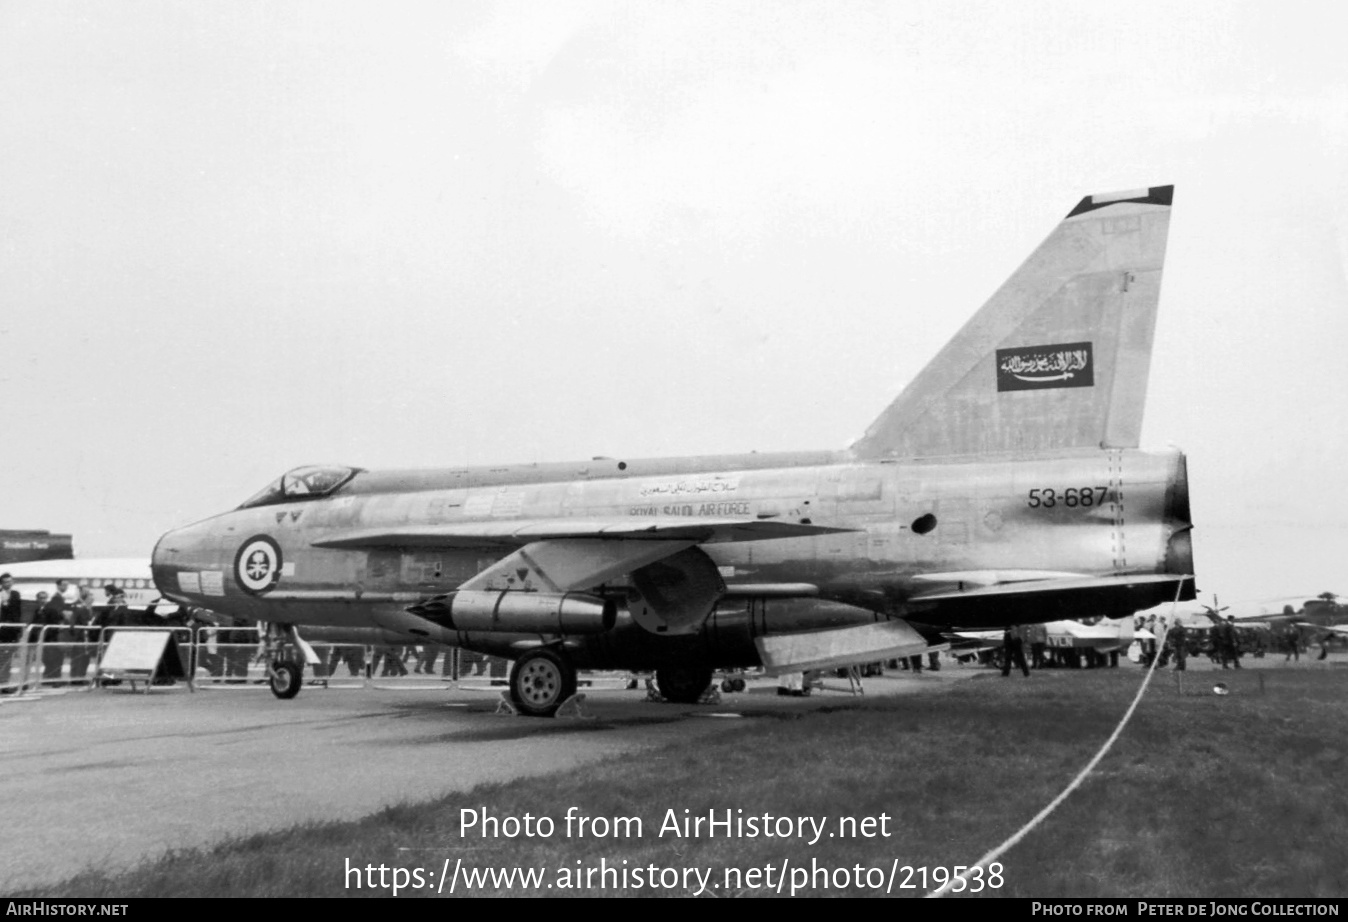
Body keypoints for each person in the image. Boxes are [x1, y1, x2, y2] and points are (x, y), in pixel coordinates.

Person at [0, 573, 22, 685]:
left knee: (8, 659)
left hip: (11, 631)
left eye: (9, 581)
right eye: (5, 582)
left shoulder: (15, 594)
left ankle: (4, 682)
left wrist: (18, 630)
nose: (8, 584)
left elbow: (17, 613)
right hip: (1, 630)